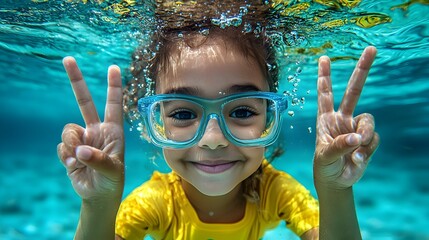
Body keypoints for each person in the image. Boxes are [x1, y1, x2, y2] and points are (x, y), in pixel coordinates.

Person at [57, 10, 379, 240]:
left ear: (270, 116)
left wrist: (336, 190)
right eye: (183, 114)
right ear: (154, 125)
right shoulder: (155, 203)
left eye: (241, 112)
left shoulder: (272, 192)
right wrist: (98, 204)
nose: (212, 140)